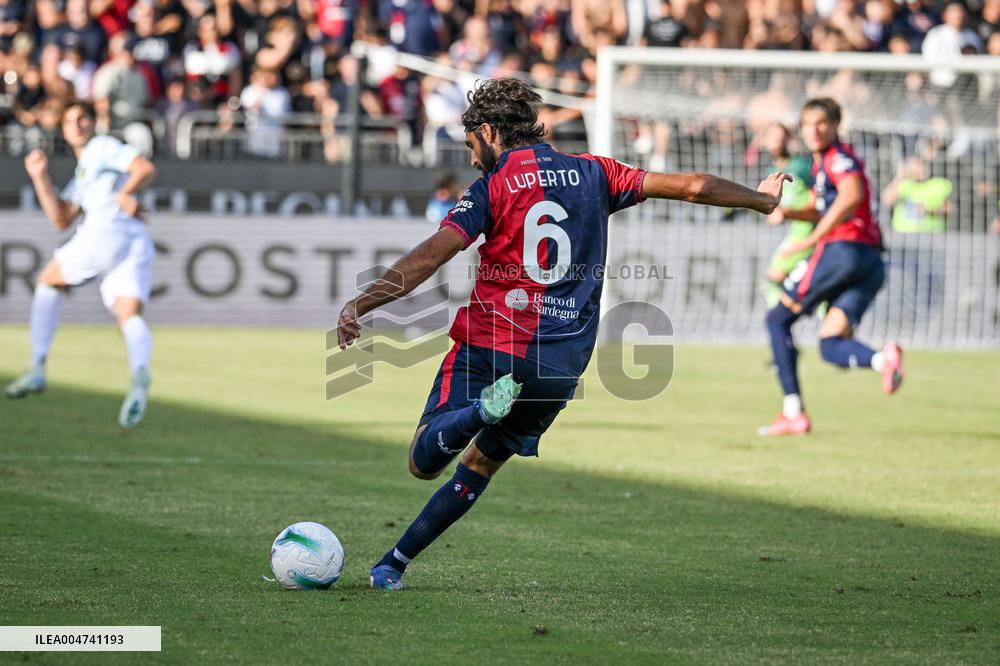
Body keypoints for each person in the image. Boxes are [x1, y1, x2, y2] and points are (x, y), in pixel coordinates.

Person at [334, 78, 789, 590]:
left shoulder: (492, 186)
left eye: (470, 146)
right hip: (559, 362)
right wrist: (760, 200)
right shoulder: (598, 172)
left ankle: (478, 411)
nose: (471, 158)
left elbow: (432, 254)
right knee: (481, 463)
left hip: (493, 342)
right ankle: (392, 564)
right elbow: (693, 187)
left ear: (488, 131)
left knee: (424, 459)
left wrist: (363, 301)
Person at [5, 102, 157, 429]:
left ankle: (37, 366)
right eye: (69, 121)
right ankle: (140, 373)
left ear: (93, 122)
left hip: (108, 230)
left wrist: (124, 195)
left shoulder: (101, 147)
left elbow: (143, 168)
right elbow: (61, 218)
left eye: (81, 119)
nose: (76, 125)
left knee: (48, 280)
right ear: (62, 129)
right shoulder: (84, 170)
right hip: (135, 240)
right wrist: (39, 177)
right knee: (127, 316)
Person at [759, 98, 903, 437]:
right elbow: (824, 205)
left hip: (842, 251)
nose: (813, 130)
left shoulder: (838, 158)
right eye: (807, 124)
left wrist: (813, 240)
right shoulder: (823, 164)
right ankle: (884, 360)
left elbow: (850, 196)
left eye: (821, 123)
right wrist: (787, 212)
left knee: (777, 319)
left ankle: (793, 411)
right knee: (830, 344)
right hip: (870, 261)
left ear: (836, 125)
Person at [761, 122, 815, 308]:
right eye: (772, 136)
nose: (777, 141)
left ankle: (781, 318)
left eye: (781, 136)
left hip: (810, 229)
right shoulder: (770, 172)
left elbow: (818, 198)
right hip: (797, 229)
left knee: (773, 279)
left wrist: (786, 213)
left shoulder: (801, 167)